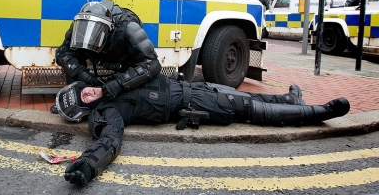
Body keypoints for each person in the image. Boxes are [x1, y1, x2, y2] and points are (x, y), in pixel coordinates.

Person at [55, 77, 350, 186]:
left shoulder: (109, 84)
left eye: (84, 90)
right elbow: (110, 139)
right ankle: (318, 112)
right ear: (85, 110)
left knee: (242, 98)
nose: (89, 91)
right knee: (244, 108)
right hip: (191, 102)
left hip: (193, 87)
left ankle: (289, 101)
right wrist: (89, 164)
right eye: (85, 98)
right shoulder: (108, 113)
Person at [52, 0, 162, 109]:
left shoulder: (129, 28)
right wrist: (82, 75)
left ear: (110, 29)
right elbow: (63, 54)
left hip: (125, 61)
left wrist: (118, 84)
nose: (90, 36)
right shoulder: (81, 23)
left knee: (129, 92)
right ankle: (73, 102)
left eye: (95, 32)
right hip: (98, 56)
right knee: (70, 62)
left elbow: (152, 64)